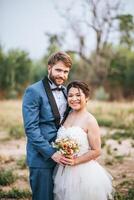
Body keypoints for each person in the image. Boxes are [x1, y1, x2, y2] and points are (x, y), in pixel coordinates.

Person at [22, 51, 73, 200]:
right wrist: (51, 153)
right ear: (49, 68)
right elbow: (31, 128)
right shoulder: (33, 91)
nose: (62, 75)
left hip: (63, 157)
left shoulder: (65, 91)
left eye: (65, 72)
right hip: (41, 157)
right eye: (58, 70)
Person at [53, 80, 113, 200]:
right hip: (63, 171)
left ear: (87, 98)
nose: (74, 98)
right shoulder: (66, 116)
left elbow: (96, 151)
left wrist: (76, 161)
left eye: (78, 95)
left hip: (83, 172)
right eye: (70, 95)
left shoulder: (90, 120)